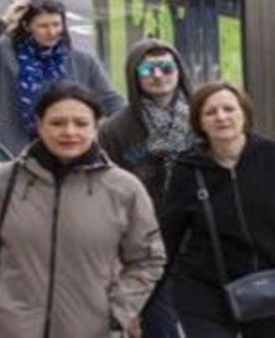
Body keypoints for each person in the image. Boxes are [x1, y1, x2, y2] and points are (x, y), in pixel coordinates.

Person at [0, 81, 166, 338]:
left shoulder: (124, 189)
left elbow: (147, 259)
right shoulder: (1, 183)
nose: (69, 131)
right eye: (57, 123)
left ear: (96, 127)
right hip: (10, 328)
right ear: (40, 125)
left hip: (91, 329)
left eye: (81, 123)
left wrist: (118, 311)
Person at [160, 82, 275, 337]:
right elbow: (170, 234)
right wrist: (150, 296)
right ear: (199, 122)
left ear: (244, 114)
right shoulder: (187, 168)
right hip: (206, 291)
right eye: (210, 112)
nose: (221, 117)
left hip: (273, 286)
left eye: (229, 109)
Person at [100, 38, 195, 338]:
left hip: (200, 240)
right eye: (148, 68)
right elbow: (108, 199)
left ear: (179, 71)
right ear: (134, 74)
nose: (158, 75)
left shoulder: (203, 117)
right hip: (146, 245)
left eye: (166, 67)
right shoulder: (115, 130)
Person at [0, 0, 124, 153]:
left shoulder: (82, 60)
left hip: (68, 150)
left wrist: (131, 125)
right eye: (43, 26)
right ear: (28, 27)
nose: (51, 32)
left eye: (56, 25)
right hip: (17, 151)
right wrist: (4, 22)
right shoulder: (7, 54)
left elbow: (109, 100)